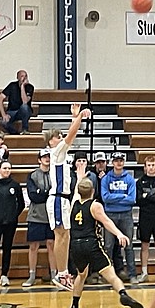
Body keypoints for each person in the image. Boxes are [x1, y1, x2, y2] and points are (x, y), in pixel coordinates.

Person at [66, 178, 144, 308]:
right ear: (93, 191)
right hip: (91, 244)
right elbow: (106, 221)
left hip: (75, 245)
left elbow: (79, 190)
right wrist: (119, 234)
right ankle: (123, 294)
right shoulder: (95, 205)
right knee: (110, 273)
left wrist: (80, 173)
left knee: (81, 275)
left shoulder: (73, 204)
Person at [45, 105, 91, 290]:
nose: (61, 138)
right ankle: (61, 273)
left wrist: (74, 118)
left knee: (65, 235)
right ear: (51, 142)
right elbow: (71, 136)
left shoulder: (62, 155)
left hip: (63, 199)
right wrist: (78, 117)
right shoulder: (56, 152)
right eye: (58, 136)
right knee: (61, 235)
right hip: (58, 198)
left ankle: (62, 273)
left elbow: (70, 136)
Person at [101, 151, 138, 283]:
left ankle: (132, 274)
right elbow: (105, 198)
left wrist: (115, 198)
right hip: (109, 215)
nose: (119, 163)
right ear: (112, 162)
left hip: (126, 215)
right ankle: (107, 275)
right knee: (108, 246)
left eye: (121, 160)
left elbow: (132, 199)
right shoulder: (106, 179)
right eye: (116, 160)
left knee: (128, 245)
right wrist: (122, 196)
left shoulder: (129, 179)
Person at [22, 148, 57, 288]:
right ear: (39, 160)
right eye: (44, 157)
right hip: (36, 216)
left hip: (51, 216)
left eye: (49, 156)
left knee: (51, 245)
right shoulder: (32, 175)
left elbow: (56, 193)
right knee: (34, 246)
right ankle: (31, 275)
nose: (47, 159)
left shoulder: (55, 174)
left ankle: (55, 275)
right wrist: (46, 193)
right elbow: (33, 196)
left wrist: (43, 193)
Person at [0, 69, 34, 134]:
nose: (24, 78)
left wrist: (22, 87)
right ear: (18, 77)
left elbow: (25, 101)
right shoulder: (12, 85)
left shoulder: (30, 87)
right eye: (22, 76)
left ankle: (25, 129)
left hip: (24, 111)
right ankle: (15, 133)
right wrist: (4, 115)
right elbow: (0, 99)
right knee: (4, 122)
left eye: (26, 76)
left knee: (24, 107)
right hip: (12, 111)